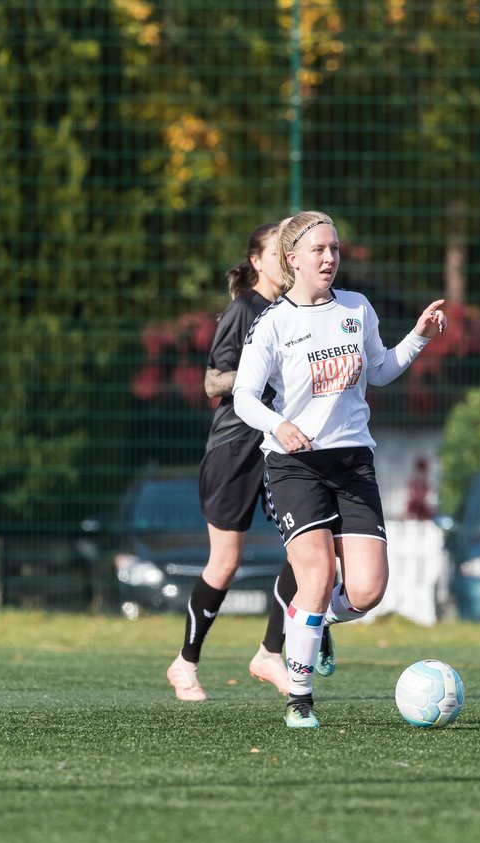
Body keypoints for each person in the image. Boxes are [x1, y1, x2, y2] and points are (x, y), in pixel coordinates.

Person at [231, 210, 448, 728]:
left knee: (368, 592)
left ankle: (315, 622)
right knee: (317, 574)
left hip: (353, 462)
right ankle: (299, 699)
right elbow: (243, 396)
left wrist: (417, 336)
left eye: (334, 249)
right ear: (293, 259)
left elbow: (379, 370)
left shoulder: (356, 307)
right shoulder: (273, 323)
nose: (330, 258)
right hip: (294, 467)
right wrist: (280, 426)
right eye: (319, 250)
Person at [165, 221, 333, 701]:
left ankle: (270, 651)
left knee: (308, 554)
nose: (286, 258)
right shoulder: (245, 309)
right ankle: (185, 664)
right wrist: (263, 370)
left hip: (280, 449)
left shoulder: (296, 310)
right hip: (236, 448)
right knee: (226, 560)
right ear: (258, 262)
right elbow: (213, 383)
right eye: (276, 251)